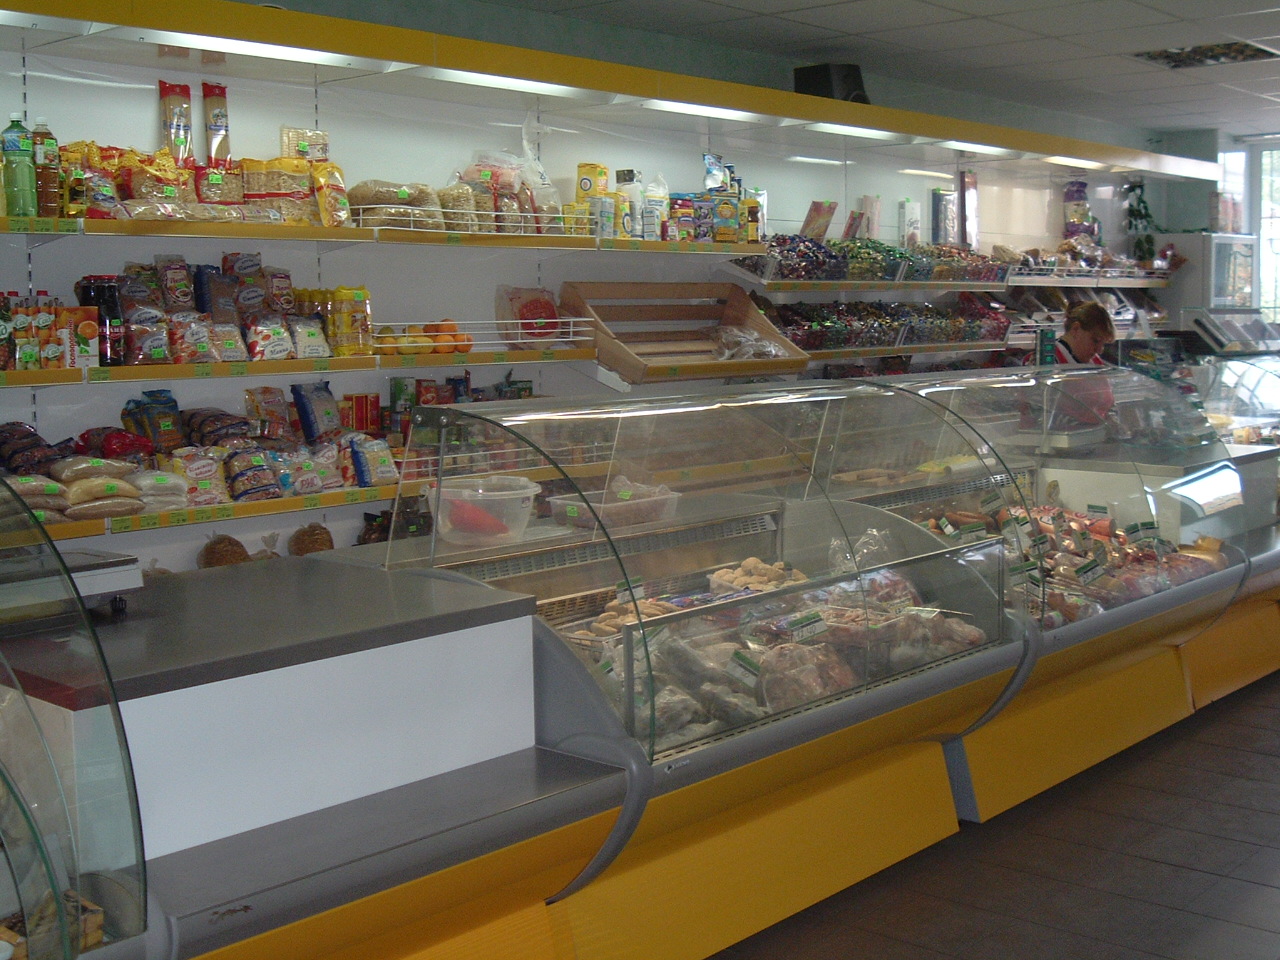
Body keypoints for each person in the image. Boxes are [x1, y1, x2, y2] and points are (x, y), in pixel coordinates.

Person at [1024, 302, 1117, 426]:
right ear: (1076, 329)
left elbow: (1108, 404)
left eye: (1103, 344)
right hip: (1060, 436)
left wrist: (1112, 421)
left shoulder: (1096, 362)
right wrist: (1082, 426)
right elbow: (1037, 413)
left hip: (1093, 434)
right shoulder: (1046, 360)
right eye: (1095, 341)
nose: (1099, 350)